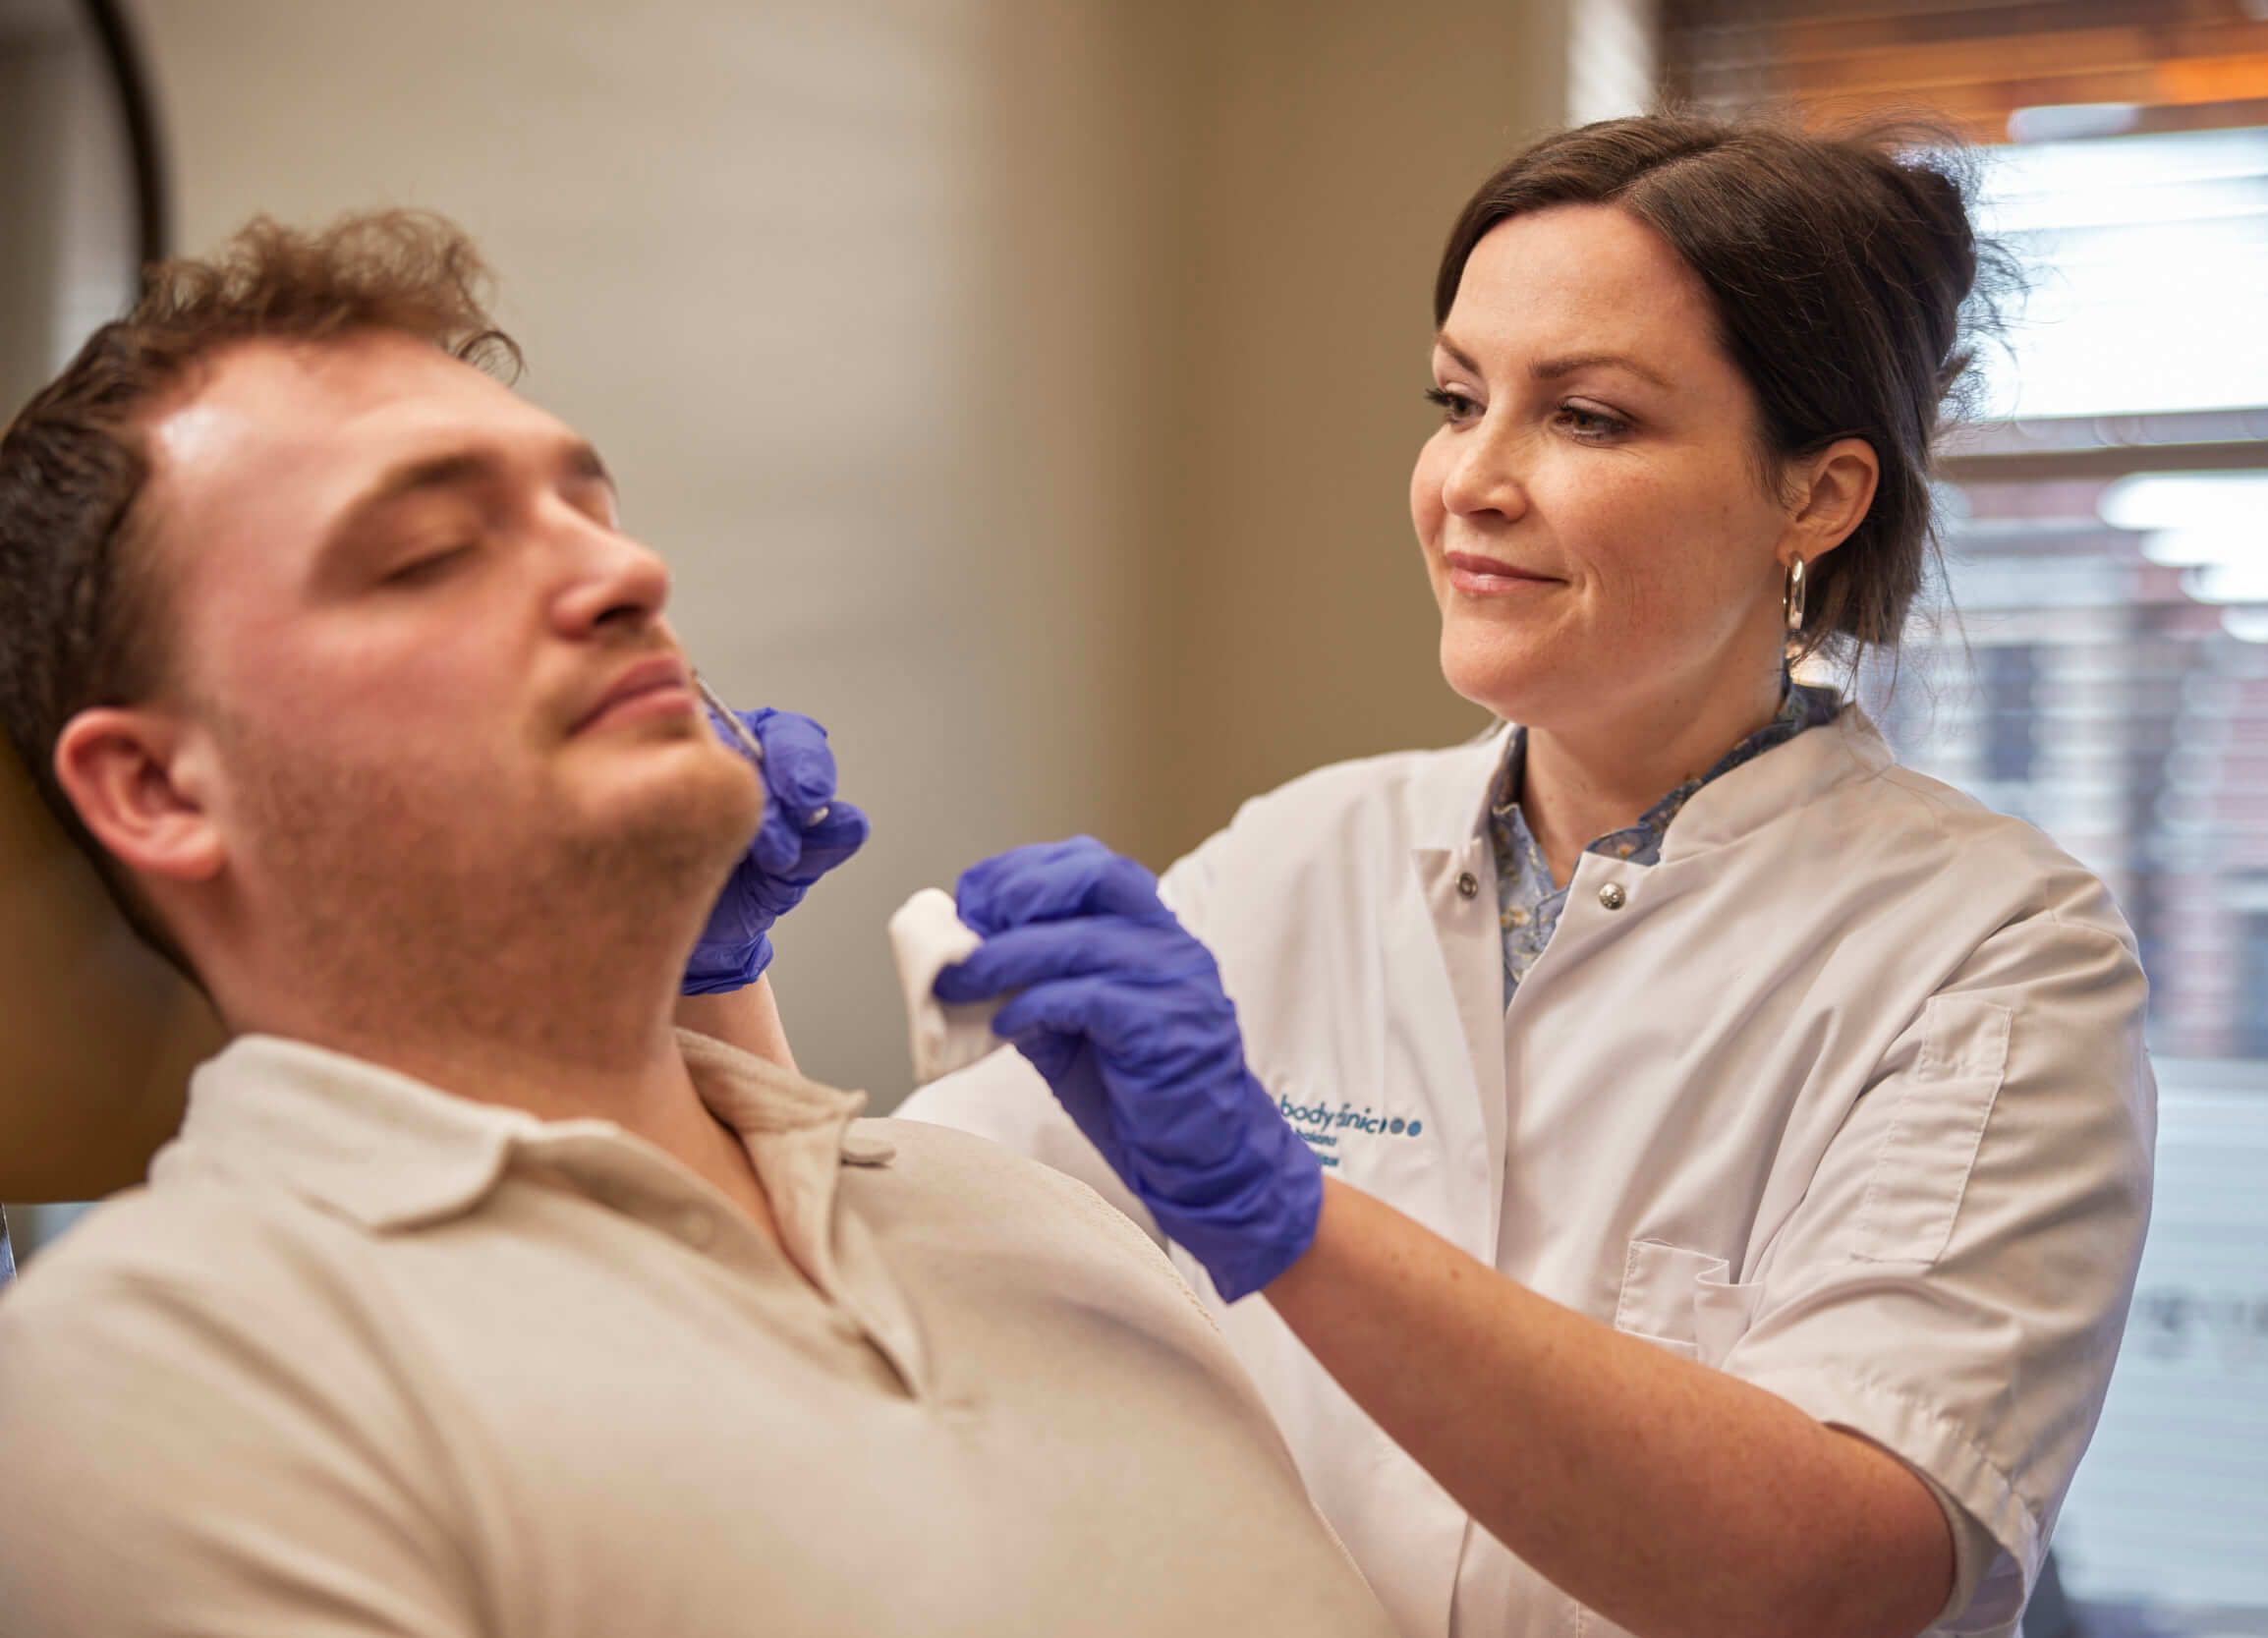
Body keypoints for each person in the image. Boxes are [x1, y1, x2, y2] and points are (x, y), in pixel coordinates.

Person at [0, 212, 1395, 1638]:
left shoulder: (1015, 1206)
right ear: (162, 787)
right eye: (426, 554)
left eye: (591, 515)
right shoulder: (181, 1365)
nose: (630, 577)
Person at [883, 114, 2158, 1638]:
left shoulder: (1991, 954)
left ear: (1814, 498)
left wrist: (1286, 1216)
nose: (1470, 483)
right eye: (1457, 399)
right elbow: (908, 1252)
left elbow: (1844, 1569)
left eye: (1589, 419)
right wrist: (698, 986)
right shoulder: (1300, 856)